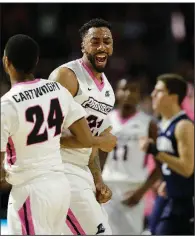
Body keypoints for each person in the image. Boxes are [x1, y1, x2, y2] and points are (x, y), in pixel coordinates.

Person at [0, 34, 95, 235]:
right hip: (60, 187)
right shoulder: (57, 89)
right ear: (36, 61)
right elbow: (85, 139)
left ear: (6, 61)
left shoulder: (6, 105)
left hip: (30, 192)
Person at [48, 18, 116, 235]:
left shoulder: (108, 91)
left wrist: (98, 180)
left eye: (107, 41)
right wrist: (97, 141)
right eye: (95, 41)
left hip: (82, 172)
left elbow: (92, 146)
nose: (102, 46)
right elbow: (45, 136)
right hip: (59, 168)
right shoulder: (66, 76)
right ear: (83, 46)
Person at [138, 73, 194, 235]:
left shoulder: (183, 126)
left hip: (182, 202)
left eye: (159, 91)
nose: (152, 95)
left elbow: (187, 168)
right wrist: (166, 180)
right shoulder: (163, 123)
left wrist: (155, 151)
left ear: (173, 97)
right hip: (167, 196)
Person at [101, 77, 158, 235]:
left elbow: (160, 164)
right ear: (116, 92)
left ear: (139, 95)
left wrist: (141, 192)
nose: (128, 93)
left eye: (133, 90)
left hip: (133, 187)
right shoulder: (106, 119)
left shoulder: (148, 123)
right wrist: (96, 181)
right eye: (124, 89)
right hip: (108, 185)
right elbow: (98, 156)